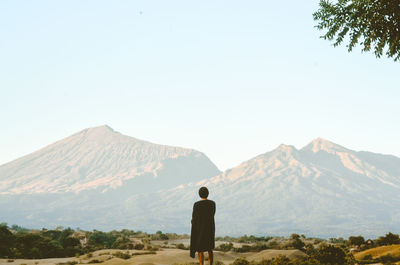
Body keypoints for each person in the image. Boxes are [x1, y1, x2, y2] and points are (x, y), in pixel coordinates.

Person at [190, 186, 216, 265]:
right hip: (210, 229)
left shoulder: (197, 205)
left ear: (199, 194)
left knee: (200, 249)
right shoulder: (212, 203)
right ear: (208, 194)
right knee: (209, 248)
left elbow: (194, 218)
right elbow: (212, 214)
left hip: (199, 229)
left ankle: (201, 264)